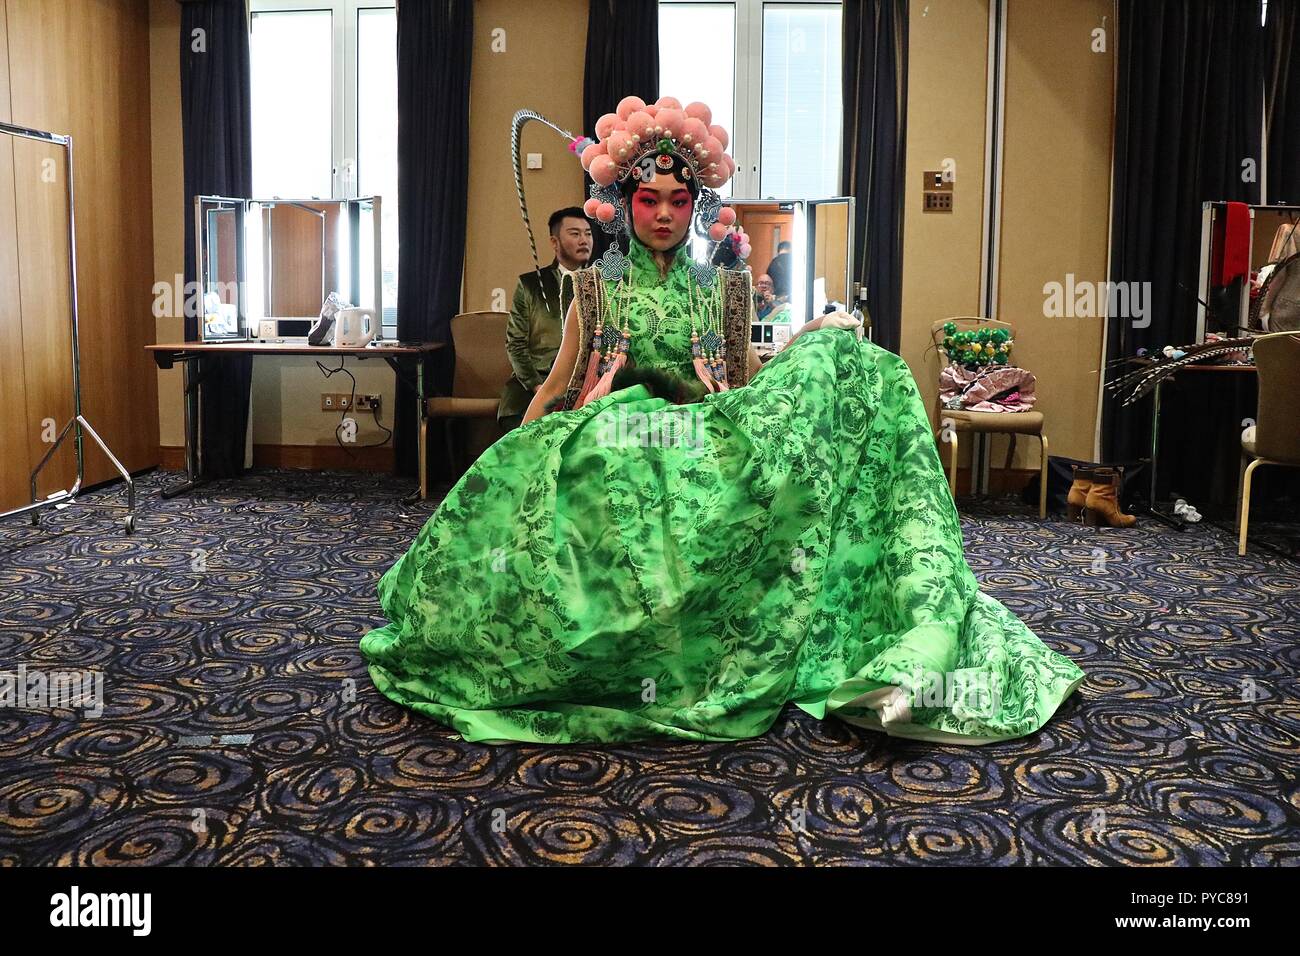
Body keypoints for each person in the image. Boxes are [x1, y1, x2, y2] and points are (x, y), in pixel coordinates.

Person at [360, 93, 1083, 745]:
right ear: (624, 201)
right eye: (649, 199)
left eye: (679, 198)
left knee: (857, 362)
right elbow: (556, 384)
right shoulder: (597, 284)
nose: (665, 213)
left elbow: (750, 385)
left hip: (709, 426)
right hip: (616, 427)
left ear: (697, 204)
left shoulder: (725, 286)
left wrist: (808, 342)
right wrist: (516, 453)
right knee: (597, 466)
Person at [497, 207, 592, 431]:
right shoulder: (530, 285)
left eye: (588, 233)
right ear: (555, 242)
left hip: (587, 387)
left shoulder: (601, 285)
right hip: (535, 386)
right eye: (575, 233)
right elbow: (516, 344)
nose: (584, 240)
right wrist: (537, 386)